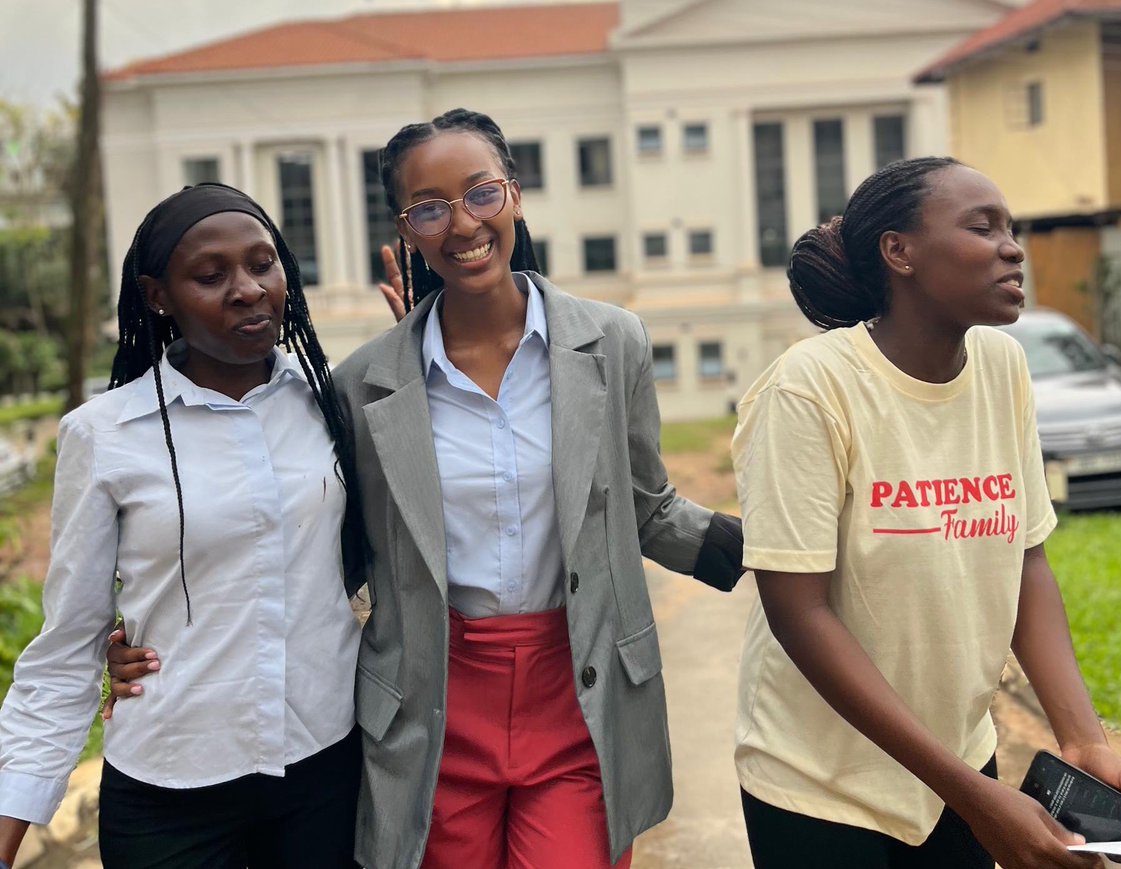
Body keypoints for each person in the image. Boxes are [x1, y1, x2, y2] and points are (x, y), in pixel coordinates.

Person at [107, 109, 743, 869]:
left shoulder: (612, 342)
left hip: (580, 689)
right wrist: (164, 637)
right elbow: (321, 544)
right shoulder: (364, 386)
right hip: (430, 704)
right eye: (430, 208)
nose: (463, 223)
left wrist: (778, 553)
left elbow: (645, 504)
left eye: (481, 193)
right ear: (407, 230)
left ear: (514, 194)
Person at [730, 156, 1121, 869]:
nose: (1012, 249)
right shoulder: (810, 387)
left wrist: (1083, 739)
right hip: (820, 786)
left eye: (1011, 229)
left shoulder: (1001, 367)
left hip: (957, 763)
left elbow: (1026, 560)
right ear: (900, 252)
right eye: (982, 228)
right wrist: (975, 798)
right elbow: (799, 612)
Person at [0, 183, 365, 869]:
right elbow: (69, 643)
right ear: (157, 296)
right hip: (171, 784)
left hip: (324, 770)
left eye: (263, 264)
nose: (247, 289)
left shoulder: (332, 401)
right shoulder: (105, 434)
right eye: (210, 275)